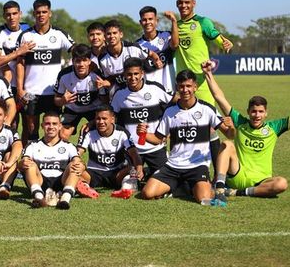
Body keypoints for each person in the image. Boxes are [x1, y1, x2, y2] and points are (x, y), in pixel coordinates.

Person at [141, 70, 234, 204]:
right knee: (147, 193)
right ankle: (184, 187)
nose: (185, 90)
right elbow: (157, 139)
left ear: (195, 87)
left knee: (204, 199)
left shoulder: (206, 109)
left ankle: (198, 187)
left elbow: (230, 135)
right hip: (173, 165)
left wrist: (230, 127)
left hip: (197, 165)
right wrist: (143, 134)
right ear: (177, 87)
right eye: (182, 86)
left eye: (188, 86)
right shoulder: (170, 111)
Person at [202, 61, 288, 200]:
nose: (257, 115)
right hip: (238, 174)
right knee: (228, 144)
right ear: (248, 112)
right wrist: (208, 73)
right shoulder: (240, 122)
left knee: (281, 184)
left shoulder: (274, 127)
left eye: (261, 112)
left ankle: (238, 193)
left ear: (266, 113)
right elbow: (219, 97)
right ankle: (219, 187)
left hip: (263, 180)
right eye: (254, 111)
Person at [16, 0, 75, 144]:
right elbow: (20, 63)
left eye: (44, 12)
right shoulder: (26, 36)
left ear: (50, 13)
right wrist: (20, 89)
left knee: (53, 129)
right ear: (34, 14)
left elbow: (77, 53)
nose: (41, 15)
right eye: (38, 12)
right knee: (30, 128)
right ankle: (31, 162)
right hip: (31, 91)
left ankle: (51, 162)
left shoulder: (59, 34)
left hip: (53, 92)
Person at [110, 57, 173, 179]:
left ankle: (148, 172)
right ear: (124, 75)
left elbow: (172, 110)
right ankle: (142, 173)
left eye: (136, 74)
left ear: (142, 73)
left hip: (155, 147)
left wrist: (166, 133)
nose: (132, 78)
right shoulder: (119, 94)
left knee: (164, 179)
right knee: (127, 182)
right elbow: (111, 118)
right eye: (129, 74)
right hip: (131, 150)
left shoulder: (155, 89)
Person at [175, 0, 233, 106]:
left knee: (208, 118)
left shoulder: (203, 22)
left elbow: (219, 39)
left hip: (202, 81)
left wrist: (226, 44)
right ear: (177, 4)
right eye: (181, 2)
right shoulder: (175, 26)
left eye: (187, 2)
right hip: (183, 84)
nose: (183, 5)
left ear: (194, 3)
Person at [18, 112, 85, 209]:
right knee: (29, 164)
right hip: (40, 182)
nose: (51, 127)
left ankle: (65, 200)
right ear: (42, 126)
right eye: (47, 124)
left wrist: (81, 165)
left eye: (54, 124)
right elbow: (21, 165)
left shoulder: (69, 146)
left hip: (61, 181)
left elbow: (78, 161)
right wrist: (22, 164)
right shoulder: (33, 146)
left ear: (60, 126)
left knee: (75, 164)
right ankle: (39, 198)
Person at [76, 105, 144, 199]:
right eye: (98, 119)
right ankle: (86, 189)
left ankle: (125, 188)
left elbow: (134, 153)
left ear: (112, 119)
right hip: (94, 173)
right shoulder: (88, 131)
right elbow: (78, 152)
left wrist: (139, 168)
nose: (101, 122)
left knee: (131, 169)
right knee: (75, 170)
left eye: (104, 118)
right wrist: (77, 164)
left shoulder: (122, 132)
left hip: (116, 173)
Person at [0, 0, 34, 130]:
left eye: (15, 13)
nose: (12, 17)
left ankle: (25, 150)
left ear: (20, 14)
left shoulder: (28, 29)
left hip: (28, 84)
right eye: (8, 14)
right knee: (11, 122)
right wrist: (18, 52)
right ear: (4, 16)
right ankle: (10, 149)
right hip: (8, 86)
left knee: (29, 123)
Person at [54, 44, 108, 140]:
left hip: (93, 109)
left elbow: (105, 101)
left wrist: (101, 88)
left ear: (89, 61)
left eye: (84, 60)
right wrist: (63, 100)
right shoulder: (64, 75)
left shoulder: (97, 75)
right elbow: (56, 100)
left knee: (102, 131)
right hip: (72, 109)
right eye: (78, 61)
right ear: (73, 61)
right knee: (62, 135)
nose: (81, 64)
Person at [98, 19, 159, 99]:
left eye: (114, 33)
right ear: (105, 37)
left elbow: (151, 53)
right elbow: (109, 80)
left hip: (141, 94)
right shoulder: (102, 58)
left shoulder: (133, 48)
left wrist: (157, 61)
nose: (112, 36)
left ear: (121, 34)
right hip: (120, 98)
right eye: (108, 34)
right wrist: (106, 83)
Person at [136, 6, 179, 94]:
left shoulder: (166, 36)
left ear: (157, 21)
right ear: (140, 22)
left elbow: (175, 45)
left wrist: (174, 21)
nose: (147, 22)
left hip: (169, 90)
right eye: (144, 20)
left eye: (150, 19)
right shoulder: (137, 45)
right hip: (150, 93)